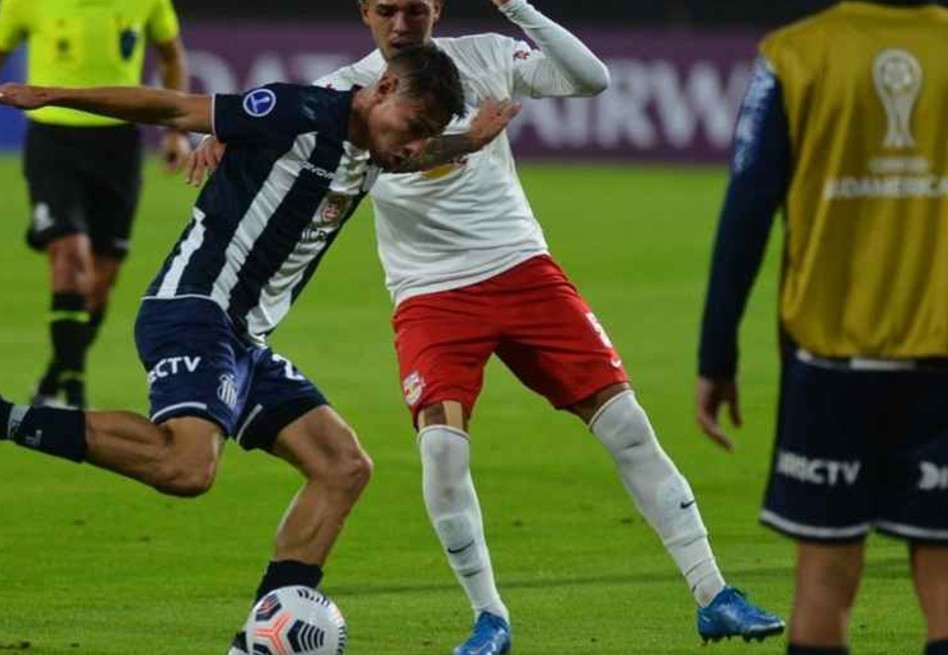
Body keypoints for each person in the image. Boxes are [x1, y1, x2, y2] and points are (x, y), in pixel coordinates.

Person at [184, 1, 783, 654]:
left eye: (416, 9)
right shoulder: (344, 94)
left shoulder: (488, 55)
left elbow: (593, 79)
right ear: (365, 12)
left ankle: (713, 594)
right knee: (443, 452)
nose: (402, 24)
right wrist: (230, 136)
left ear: (437, 8)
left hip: (523, 270)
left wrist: (517, 5)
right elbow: (310, 132)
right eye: (387, 10)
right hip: (430, 295)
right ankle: (489, 618)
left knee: (628, 426)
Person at [0, 43, 511, 651]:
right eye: (415, 126)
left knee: (342, 467)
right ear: (383, 89)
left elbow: (408, 153)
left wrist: (467, 141)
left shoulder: (378, 146)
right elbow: (172, 108)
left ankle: (256, 641)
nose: (415, 145)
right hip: (195, 307)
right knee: (187, 467)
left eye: (426, 134)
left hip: (243, 338)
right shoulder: (297, 112)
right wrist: (52, 96)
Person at [697, 2, 948, 655]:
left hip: (831, 368)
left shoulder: (796, 54)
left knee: (824, 579)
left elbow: (747, 208)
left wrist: (716, 353)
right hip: (941, 360)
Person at [0, 0, 191, 410]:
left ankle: (54, 379)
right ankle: (75, 395)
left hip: (118, 146)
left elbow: (172, 57)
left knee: (100, 284)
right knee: (69, 256)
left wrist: (176, 132)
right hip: (53, 142)